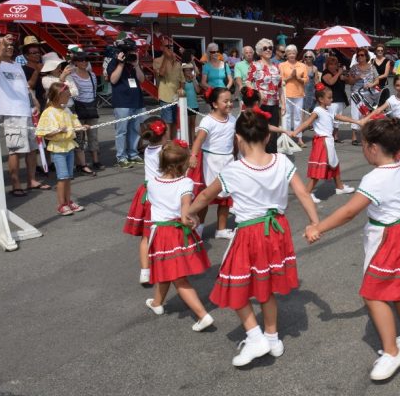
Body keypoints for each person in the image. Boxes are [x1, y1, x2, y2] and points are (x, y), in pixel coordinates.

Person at [304, 117, 400, 381]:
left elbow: (349, 212)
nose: (363, 149)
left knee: (373, 293)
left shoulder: (373, 178)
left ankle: (392, 352)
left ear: (372, 147)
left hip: (388, 237)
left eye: (363, 145)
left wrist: (318, 227)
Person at [185, 109, 319, 366]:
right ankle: (272, 337)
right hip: (277, 231)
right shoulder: (282, 161)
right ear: (267, 135)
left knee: (233, 283)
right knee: (265, 285)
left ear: (237, 138)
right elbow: (302, 193)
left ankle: (256, 336)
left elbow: (205, 196)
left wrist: (188, 213)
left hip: (249, 233)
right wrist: (314, 222)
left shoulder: (233, 170)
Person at [144, 140, 214, 332]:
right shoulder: (186, 183)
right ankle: (159, 303)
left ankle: (202, 315)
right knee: (174, 272)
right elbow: (185, 212)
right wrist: (193, 220)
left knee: (174, 273)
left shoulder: (151, 183)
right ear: (183, 164)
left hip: (161, 233)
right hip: (176, 233)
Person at [0, 35, 48, 195]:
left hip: (27, 110)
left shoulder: (16, 65)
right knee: (15, 150)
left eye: (10, 44)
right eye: (4, 44)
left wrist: (34, 101)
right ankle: (16, 185)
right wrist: (2, 47)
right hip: (11, 111)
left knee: (32, 148)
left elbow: (25, 86)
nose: (9, 46)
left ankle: (31, 180)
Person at [291, 83, 358, 203]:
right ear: (321, 99)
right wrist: (296, 131)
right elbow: (307, 123)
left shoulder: (328, 110)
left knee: (334, 163)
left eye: (331, 97)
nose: (332, 99)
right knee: (320, 167)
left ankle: (340, 187)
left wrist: (356, 121)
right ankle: (307, 194)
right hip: (322, 142)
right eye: (329, 97)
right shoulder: (317, 110)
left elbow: (340, 117)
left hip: (328, 141)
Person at [123, 118, 169, 285]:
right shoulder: (165, 151)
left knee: (146, 236)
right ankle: (167, 264)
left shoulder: (149, 149)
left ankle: (145, 271)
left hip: (147, 191)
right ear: (164, 133)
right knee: (166, 230)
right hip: (163, 193)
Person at [188, 87, 236, 240]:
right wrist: (193, 155)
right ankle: (199, 226)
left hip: (227, 161)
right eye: (225, 101)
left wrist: (238, 155)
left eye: (231, 101)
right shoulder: (208, 121)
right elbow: (199, 140)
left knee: (226, 197)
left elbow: (234, 140)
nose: (229, 104)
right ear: (215, 104)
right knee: (206, 195)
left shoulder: (232, 119)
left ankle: (221, 229)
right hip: (210, 162)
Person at [35, 82, 88, 216]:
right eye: (66, 95)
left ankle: (68, 201)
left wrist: (82, 127)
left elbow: (75, 124)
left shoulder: (66, 110)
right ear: (58, 96)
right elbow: (43, 133)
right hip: (58, 149)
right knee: (62, 177)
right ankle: (61, 204)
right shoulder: (48, 112)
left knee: (68, 177)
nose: (69, 97)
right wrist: (58, 130)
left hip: (69, 146)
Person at [107, 40, 146, 168]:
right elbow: (113, 80)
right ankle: (121, 157)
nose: (131, 54)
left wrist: (136, 65)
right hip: (122, 102)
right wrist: (121, 64)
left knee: (135, 130)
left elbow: (142, 79)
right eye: (129, 52)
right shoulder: (114, 62)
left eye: (132, 51)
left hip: (137, 101)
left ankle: (133, 154)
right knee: (122, 131)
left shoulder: (134, 62)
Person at [246, 38, 285, 154]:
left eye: (270, 48)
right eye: (265, 48)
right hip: (260, 104)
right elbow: (248, 82)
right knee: (260, 131)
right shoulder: (255, 65)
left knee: (273, 133)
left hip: (274, 104)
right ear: (259, 51)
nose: (268, 50)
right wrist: (257, 92)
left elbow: (279, 87)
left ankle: (272, 156)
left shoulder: (276, 66)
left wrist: (283, 104)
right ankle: (259, 156)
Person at [70, 51, 103, 173]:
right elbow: (72, 92)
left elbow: (94, 91)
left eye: (85, 60)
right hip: (78, 108)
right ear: (75, 62)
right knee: (79, 137)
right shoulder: (72, 75)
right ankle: (80, 163)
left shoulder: (92, 74)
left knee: (93, 136)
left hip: (91, 107)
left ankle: (96, 161)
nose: (84, 62)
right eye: (80, 60)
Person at [347, 48, 379, 145]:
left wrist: (371, 84)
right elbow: (349, 82)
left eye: (362, 55)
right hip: (356, 94)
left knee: (366, 115)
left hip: (368, 94)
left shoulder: (372, 67)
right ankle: (354, 136)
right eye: (358, 55)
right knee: (355, 114)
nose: (360, 57)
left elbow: (377, 80)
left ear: (366, 56)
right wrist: (356, 78)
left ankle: (365, 136)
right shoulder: (354, 68)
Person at [153, 42, 184, 139]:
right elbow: (161, 74)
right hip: (165, 96)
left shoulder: (177, 63)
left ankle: (173, 142)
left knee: (174, 121)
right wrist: (166, 58)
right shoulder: (157, 61)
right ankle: (167, 144)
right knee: (167, 122)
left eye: (171, 46)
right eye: (167, 46)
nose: (170, 48)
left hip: (176, 97)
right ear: (162, 48)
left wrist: (181, 88)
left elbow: (182, 79)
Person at [279, 44, 308, 147]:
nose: (291, 55)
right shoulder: (282, 65)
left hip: (299, 93)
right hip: (286, 94)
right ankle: (287, 137)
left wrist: (298, 78)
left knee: (298, 116)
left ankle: (299, 138)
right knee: (286, 116)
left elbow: (306, 80)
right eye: (289, 53)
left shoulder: (302, 65)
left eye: (293, 53)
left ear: (296, 54)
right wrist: (291, 77)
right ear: (286, 54)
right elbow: (280, 80)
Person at [321, 55, 349, 143]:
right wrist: (338, 73)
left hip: (340, 98)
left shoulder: (338, 72)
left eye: (335, 64)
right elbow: (331, 82)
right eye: (331, 64)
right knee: (330, 118)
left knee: (338, 119)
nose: (333, 66)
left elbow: (347, 80)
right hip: (331, 100)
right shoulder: (326, 73)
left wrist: (345, 76)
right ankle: (328, 135)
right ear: (327, 65)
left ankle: (335, 136)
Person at [181, 63, 201, 142]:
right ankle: (187, 141)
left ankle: (192, 141)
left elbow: (198, 91)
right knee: (187, 124)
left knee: (193, 124)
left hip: (194, 104)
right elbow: (182, 91)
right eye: (187, 70)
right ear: (183, 72)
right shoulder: (182, 81)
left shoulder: (194, 80)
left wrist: (193, 80)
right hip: (186, 105)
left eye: (190, 70)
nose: (189, 72)